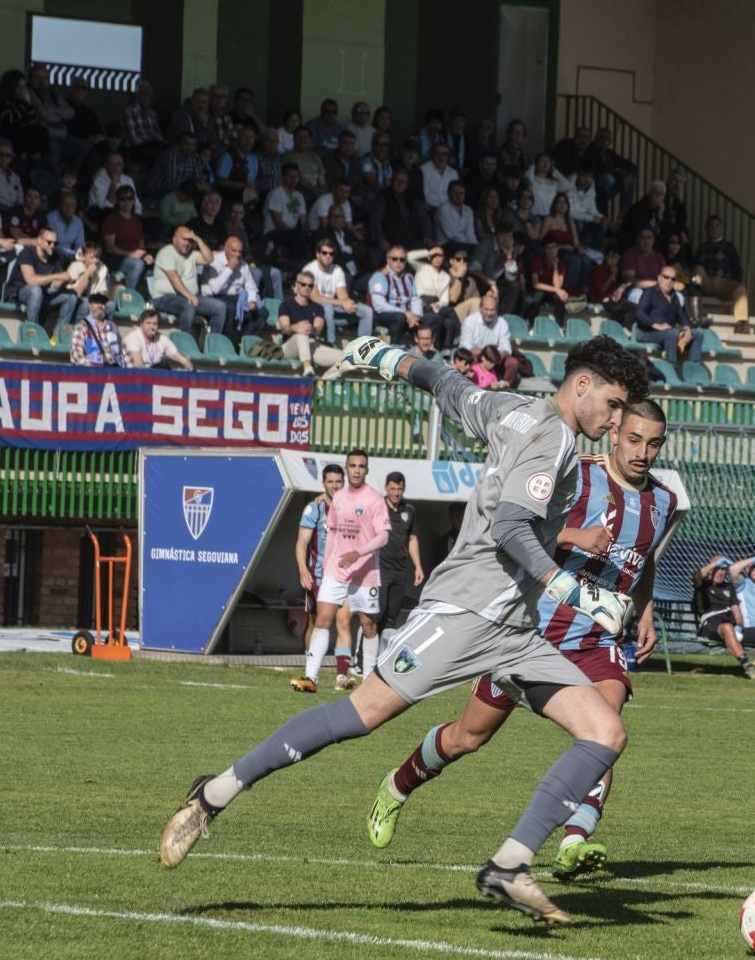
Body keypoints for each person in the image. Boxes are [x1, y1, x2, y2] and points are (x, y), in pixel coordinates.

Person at [159, 334, 650, 926]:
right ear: (582, 385)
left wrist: (384, 358)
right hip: (465, 613)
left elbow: (446, 385)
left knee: (604, 732)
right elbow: (513, 531)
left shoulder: (512, 407)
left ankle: (510, 864)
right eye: (615, 404)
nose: (617, 419)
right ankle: (214, 793)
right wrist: (574, 590)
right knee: (361, 715)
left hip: (515, 629)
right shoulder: (552, 441)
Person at [368, 402, 677, 881]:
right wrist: (574, 536)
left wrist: (648, 610)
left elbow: (645, 557)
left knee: (604, 731)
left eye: (653, 443)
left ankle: (574, 841)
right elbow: (515, 530)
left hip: (597, 640)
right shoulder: (574, 475)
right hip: (529, 632)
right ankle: (398, 786)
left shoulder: (664, 501)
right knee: (468, 737)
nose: (643, 452)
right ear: (614, 433)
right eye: (634, 439)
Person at [302, 449, 390, 693]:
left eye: (361, 466)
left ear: (367, 470)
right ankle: (311, 677)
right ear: (347, 467)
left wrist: (359, 553)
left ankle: (370, 679)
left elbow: (383, 536)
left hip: (364, 572)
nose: (357, 470)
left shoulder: (374, 499)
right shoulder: (338, 498)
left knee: (367, 624)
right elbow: (332, 531)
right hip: (335, 571)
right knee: (322, 619)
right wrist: (327, 563)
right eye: (352, 465)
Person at [290, 463, 345, 692]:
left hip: (343, 575)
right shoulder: (315, 509)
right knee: (316, 621)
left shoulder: (351, 507)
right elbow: (302, 542)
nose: (334, 485)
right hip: (318, 576)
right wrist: (303, 569)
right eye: (330, 481)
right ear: (324, 483)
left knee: (343, 622)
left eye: (338, 481)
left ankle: (342, 676)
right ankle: (310, 669)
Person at [377, 471, 426, 632]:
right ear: (386, 488)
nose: (396, 493)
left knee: (393, 615)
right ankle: (365, 655)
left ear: (404, 489)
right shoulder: (377, 507)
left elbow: (411, 539)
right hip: (380, 569)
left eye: (399, 489)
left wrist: (418, 567)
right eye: (392, 489)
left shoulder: (409, 510)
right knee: (378, 613)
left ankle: (383, 655)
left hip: (400, 570)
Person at [633, 266, 704, 367]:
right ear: (659, 278)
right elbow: (639, 313)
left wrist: (687, 328)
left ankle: (694, 369)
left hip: (668, 332)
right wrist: (655, 325)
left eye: (673, 279)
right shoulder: (650, 292)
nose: (669, 281)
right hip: (646, 332)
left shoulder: (674, 296)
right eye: (666, 277)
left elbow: (682, 315)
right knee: (672, 333)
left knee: (698, 333)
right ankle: (671, 369)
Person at [692, 555, 746, 663]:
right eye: (717, 568)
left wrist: (739, 627)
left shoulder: (729, 587)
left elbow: (736, 610)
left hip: (729, 623)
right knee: (727, 627)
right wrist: (714, 564)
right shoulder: (703, 584)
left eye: (723, 569)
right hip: (710, 623)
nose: (720, 572)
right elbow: (696, 577)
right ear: (711, 569)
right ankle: (747, 663)